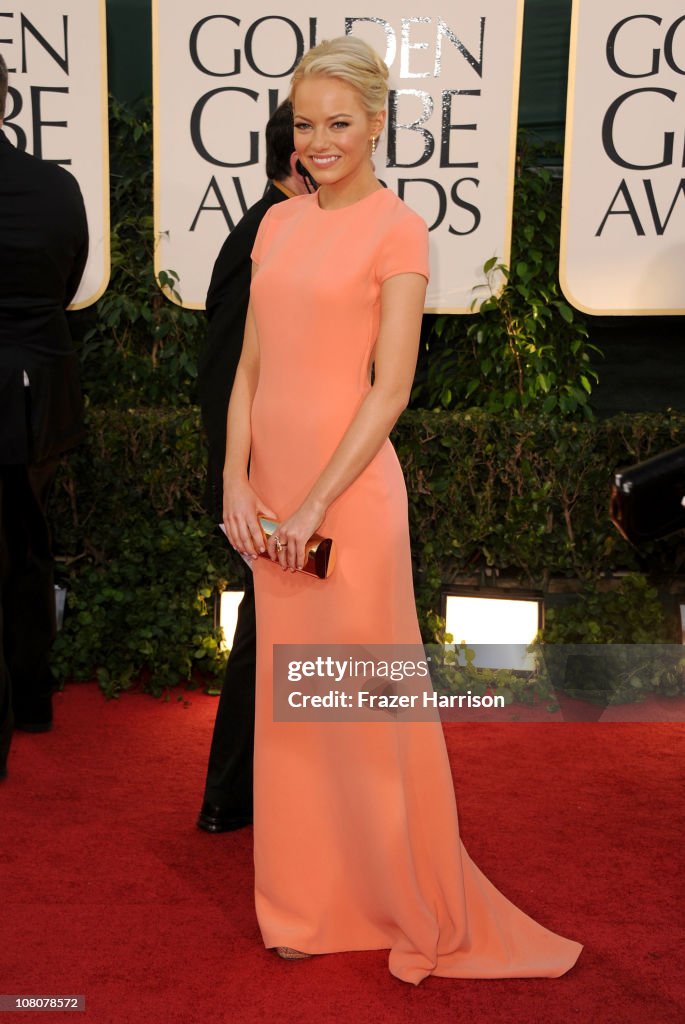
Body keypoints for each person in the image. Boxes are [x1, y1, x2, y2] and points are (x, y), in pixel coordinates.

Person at [222, 37, 582, 984]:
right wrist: (236, 484)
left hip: (349, 504)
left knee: (362, 713)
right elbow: (250, 368)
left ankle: (391, 896)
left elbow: (389, 390)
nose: (319, 142)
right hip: (269, 506)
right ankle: (301, 903)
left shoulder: (399, 229)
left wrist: (311, 504)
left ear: (378, 123)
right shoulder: (275, 225)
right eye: (305, 124)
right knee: (292, 713)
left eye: (339, 123)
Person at [196, 100, 312, 832]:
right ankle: (229, 798)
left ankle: (247, 796)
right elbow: (229, 379)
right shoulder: (265, 239)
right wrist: (240, 484)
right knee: (266, 629)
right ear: (297, 157)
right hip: (266, 477)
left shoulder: (288, 230)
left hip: (286, 469)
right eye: (319, 130)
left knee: (276, 629)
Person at [0, 53, 89, 778]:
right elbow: (69, 282)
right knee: (26, 545)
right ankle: (31, 700)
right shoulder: (56, 187)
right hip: (38, 398)